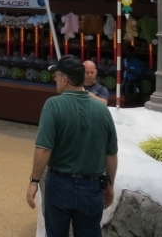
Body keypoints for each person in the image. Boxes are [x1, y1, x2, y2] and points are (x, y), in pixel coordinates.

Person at [26, 55, 118, 237]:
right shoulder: (102, 110)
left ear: (65, 80)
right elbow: (111, 154)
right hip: (91, 188)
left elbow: (44, 148)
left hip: (60, 185)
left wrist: (34, 181)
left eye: (57, 75)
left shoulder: (53, 106)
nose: (54, 79)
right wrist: (109, 185)